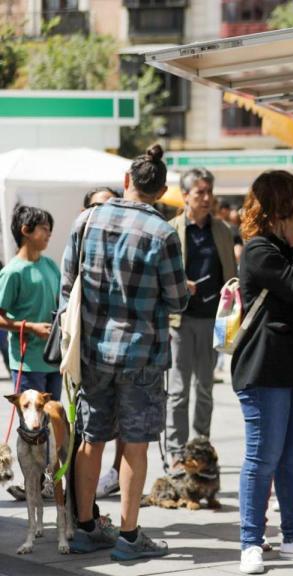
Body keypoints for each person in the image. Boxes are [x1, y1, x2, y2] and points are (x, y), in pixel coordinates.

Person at [66, 144, 188, 561]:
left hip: (93, 352)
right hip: (142, 355)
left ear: (126, 182)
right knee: (135, 444)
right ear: (161, 190)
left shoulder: (87, 219)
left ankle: (84, 527)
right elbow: (176, 301)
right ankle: (129, 536)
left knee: (91, 438)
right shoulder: (164, 233)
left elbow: (69, 288)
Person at [232, 170, 293, 574]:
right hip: (264, 368)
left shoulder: (290, 246)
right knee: (263, 457)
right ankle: (250, 542)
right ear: (280, 204)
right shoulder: (259, 250)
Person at [165, 168, 237, 470]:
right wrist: (182, 283)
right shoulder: (171, 229)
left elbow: (231, 274)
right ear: (185, 196)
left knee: (205, 387)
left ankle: (201, 446)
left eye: (209, 192)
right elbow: (164, 273)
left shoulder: (220, 229)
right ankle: (177, 452)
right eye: (200, 193)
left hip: (213, 320)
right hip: (180, 320)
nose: (207, 198)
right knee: (180, 390)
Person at [0, 205, 60, 501]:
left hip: (53, 360)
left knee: (54, 423)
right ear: (26, 231)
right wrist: (29, 326)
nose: (48, 234)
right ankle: (30, 481)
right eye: (44, 229)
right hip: (26, 361)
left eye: (49, 228)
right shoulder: (12, 272)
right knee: (31, 426)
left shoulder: (50, 266)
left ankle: (49, 480)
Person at [78, 188, 127, 500]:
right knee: (88, 431)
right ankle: (82, 514)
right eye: (97, 206)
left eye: (110, 206)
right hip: (88, 355)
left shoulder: (129, 247)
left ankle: (115, 480)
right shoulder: (78, 246)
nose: (103, 213)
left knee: (127, 427)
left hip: (126, 355)